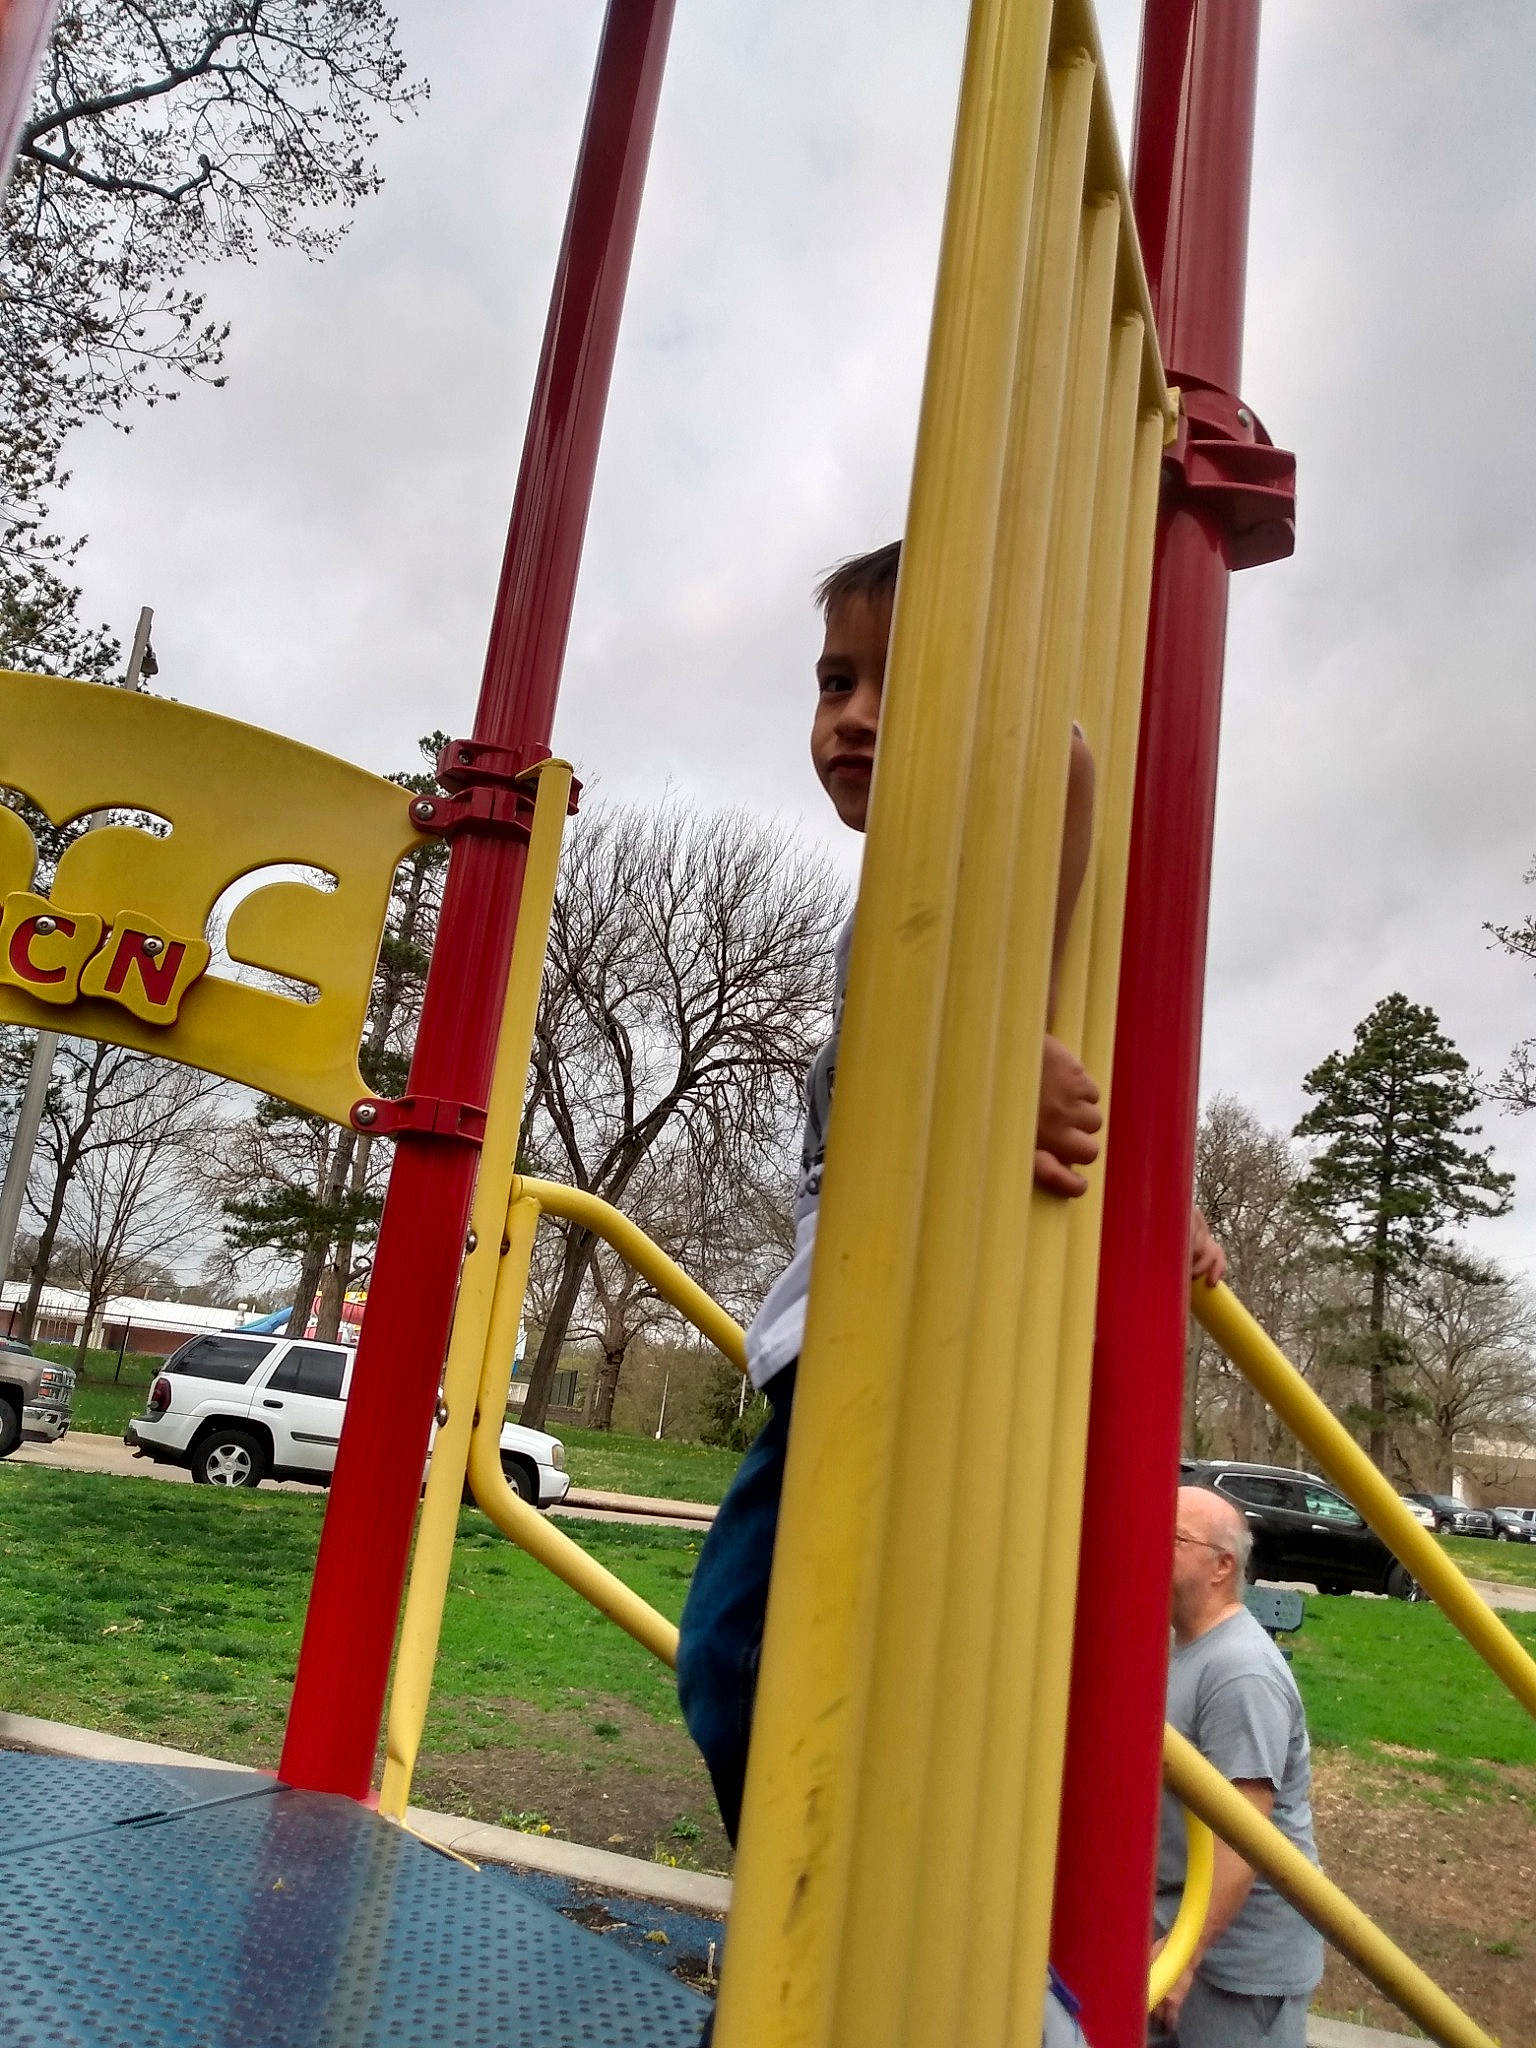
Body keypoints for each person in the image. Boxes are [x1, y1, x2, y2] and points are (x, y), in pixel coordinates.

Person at [1150, 1486, 1325, 2048]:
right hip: (1184, 1932)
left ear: (1222, 1566)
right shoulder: (1185, 1648)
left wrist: (1187, 1954)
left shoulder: (1240, 1672)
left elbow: (1244, 1834)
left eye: (1172, 1537)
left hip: (1239, 1966)